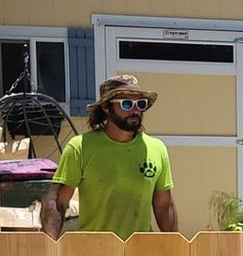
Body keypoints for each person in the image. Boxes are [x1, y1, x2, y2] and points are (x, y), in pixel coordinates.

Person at [43, 75, 179, 237]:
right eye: (127, 104)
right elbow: (58, 202)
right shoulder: (80, 147)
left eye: (140, 104)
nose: (135, 110)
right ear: (106, 107)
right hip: (96, 253)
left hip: (140, 253)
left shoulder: (157, 149)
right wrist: (51, 248)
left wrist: (175, 250)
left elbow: (164, 207)